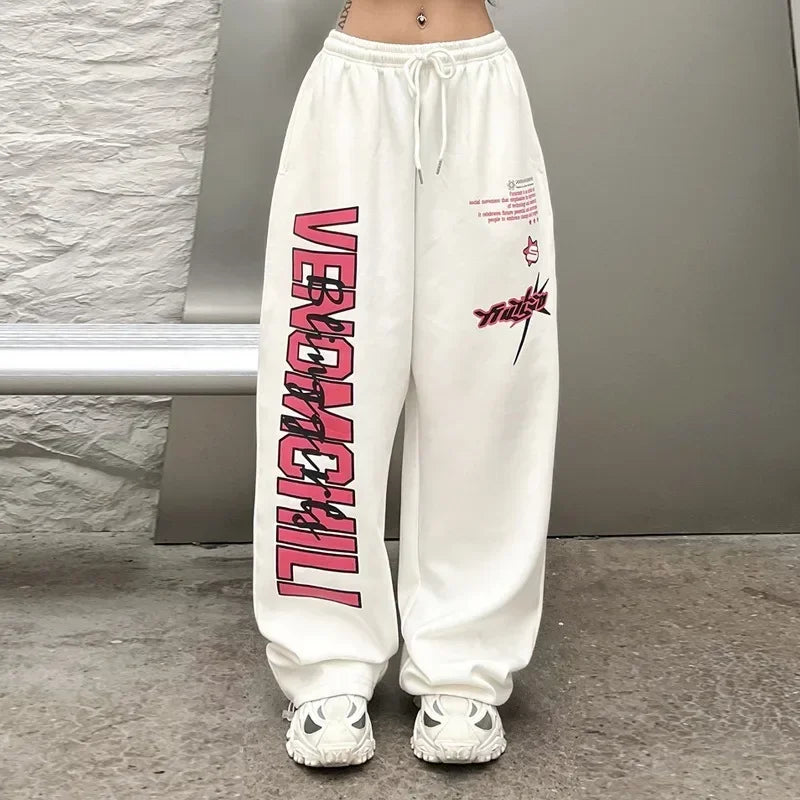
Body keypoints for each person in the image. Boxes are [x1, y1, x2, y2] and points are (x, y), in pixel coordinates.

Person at [252, 0, 559, 767]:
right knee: (325, 373)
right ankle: (326, 663)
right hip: (352, 94)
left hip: (481, 95)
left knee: (489, 381)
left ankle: (464, 665)